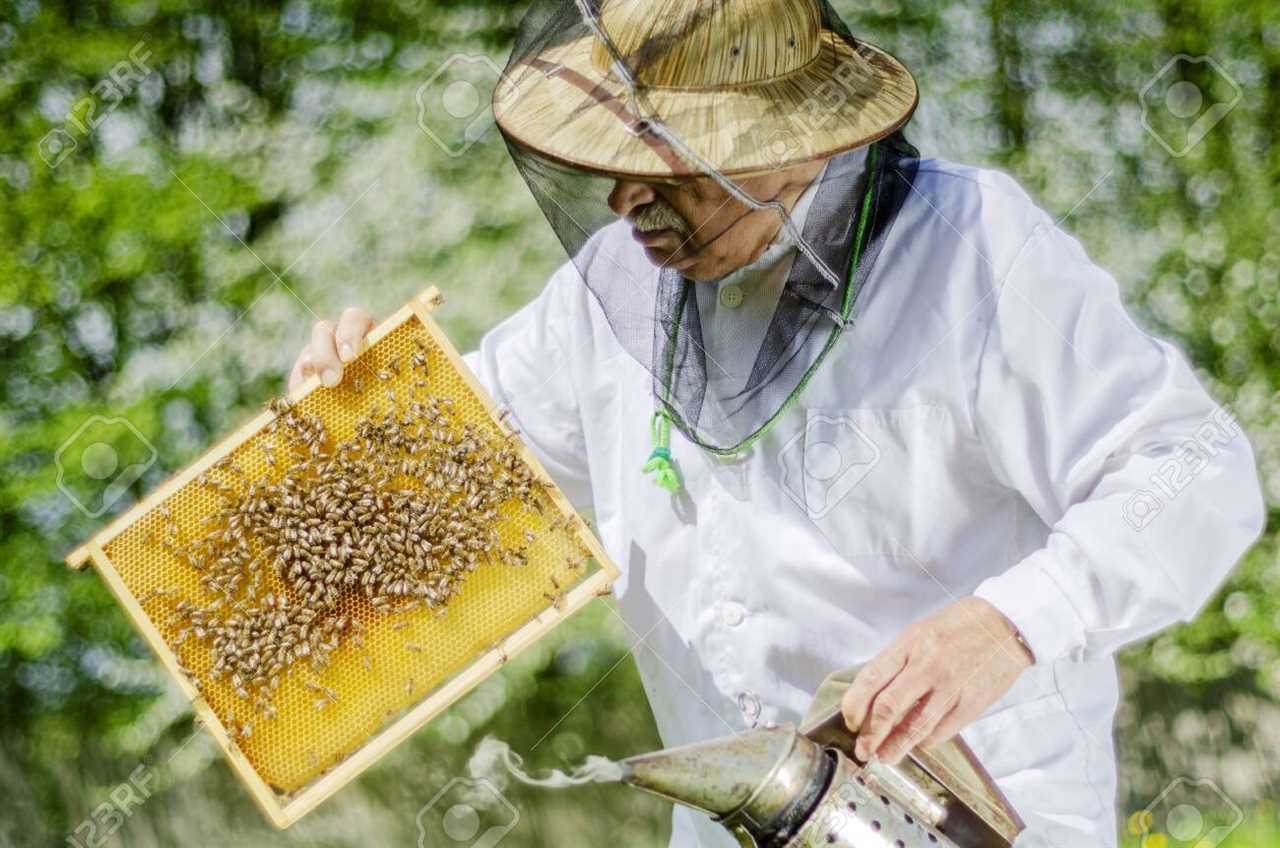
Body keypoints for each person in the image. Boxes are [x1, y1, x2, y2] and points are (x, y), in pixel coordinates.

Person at [289, 0, 1265, 844]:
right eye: (606, 160)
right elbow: (443, 517)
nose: (625, 197)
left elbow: (1193, 466)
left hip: (972, 819)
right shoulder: (600, 296)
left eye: (663, 161)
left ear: (788, 140)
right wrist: (350, 428)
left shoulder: (976, 254)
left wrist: (1009, 621)